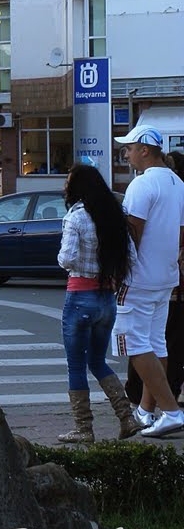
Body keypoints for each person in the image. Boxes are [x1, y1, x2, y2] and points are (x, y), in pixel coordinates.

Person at [56, 164, 138, 443]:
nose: (65, 186)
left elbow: (66, 259)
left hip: (80, 297)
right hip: (107, 299)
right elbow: (133, 262)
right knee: (98, 361)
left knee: (76, 365)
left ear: (78, 187)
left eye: (68, 181)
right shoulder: (115, 216)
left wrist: (74, 263)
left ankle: (83, 428)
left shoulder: (76, 217)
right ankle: (127, 418)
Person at [111, 124, 184, 438]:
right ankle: (145, 410)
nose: (126, 153)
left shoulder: (141, 185)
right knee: (156, 343)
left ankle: (170, 411)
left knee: (134, 344)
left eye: (129, 148)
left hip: (139, 279)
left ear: (144, 149)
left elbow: (132, 232)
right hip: (166, 276)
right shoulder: (177, 182)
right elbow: (181, 232)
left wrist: (118, 272)